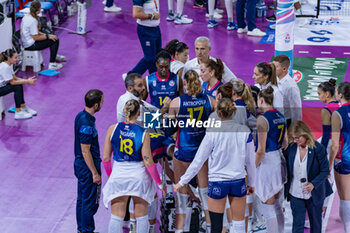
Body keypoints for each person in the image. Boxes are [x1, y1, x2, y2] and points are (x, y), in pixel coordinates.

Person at [174, 97, 256, 233]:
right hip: (238, 181)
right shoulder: (245, 131)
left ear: (218, 113)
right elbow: (250, 162)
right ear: (234, 112)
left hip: (218, 182)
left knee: (216, 227)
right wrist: (252, 183)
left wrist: (182, 182)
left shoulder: (212, 132)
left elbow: (198, 161)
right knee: (240, 225)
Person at [102, 99, 166, 233]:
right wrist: (159, 183)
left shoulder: (112, 129)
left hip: (119, 174)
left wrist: (110, 176)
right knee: (142, 215)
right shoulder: (143, 132)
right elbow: (148, 161)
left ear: (125, 112)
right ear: (138, 113)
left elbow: (106, 158)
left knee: (116, 216)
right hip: (138, 175)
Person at [167, 70, 215, 233]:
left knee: (181, 194)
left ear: (185, 83)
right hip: (202, 152)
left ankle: (181, 230)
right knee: (205, 193)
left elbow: (168, 129)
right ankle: (209, 227)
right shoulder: (210, 100)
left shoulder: (176, 102)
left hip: (183, 152)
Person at [284, 121, 332, 233]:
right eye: (293, 138)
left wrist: (313, 184)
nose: (295, 141)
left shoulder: (318, 148)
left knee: (315, 225)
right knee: (297, 225)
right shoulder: (291, 148)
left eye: (297, 138)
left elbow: (325, 171)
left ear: (305, 134)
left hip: (314, 193)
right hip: (295, 192)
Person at [255, 86, 287, 233]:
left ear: (261, 100)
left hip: (267, 162)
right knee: (277, 204)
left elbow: (261, 150)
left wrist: (252, 168)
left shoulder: (262, 119)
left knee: (267, 205)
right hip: (279, 160)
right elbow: (285, 143)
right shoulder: (281, 116)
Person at [74, 89, 104, 233]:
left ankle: (81, 229)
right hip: (87, 167)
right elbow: (86, 150)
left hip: (80, 165)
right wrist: (94, 173)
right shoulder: (87, 123)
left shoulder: (80, 116)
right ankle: (87, 230)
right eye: (102, 101)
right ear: (96, 105)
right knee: (89, 201)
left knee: (82, 198)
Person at [20, 1, 65, 70]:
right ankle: (52, 64)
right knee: (55, 40)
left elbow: (35, 32)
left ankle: (54, 55)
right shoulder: (32, 20)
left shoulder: (27, 16)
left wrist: (47, 35)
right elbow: (35, 37)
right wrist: (48, 36)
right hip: (30, 45)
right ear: (38, 10)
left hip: (27, 42)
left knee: (52, 36)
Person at [329, 82, 350, 233]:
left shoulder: (338, 114)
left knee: (345, 198)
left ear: (340, 95)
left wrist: (328, 164)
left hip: (344, 159)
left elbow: (334, 144)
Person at [0, 49, 37, 120]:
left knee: (19, 84)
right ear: (9, 58)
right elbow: (13, 82)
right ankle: (18, 112)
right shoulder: (4, 67)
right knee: (16, 86)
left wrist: (27, 80)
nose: (17, 59)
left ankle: (23, 107)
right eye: (15, 57)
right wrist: (27, 81)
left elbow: (15, 78)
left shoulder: (8, 65)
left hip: (2, 86)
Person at [128, 0, 161, 76]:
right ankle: (131, 76)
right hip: (145, 30)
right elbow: (136, 13)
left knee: (157, 56)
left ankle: (153, 78)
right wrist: (152, 16)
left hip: (156, 28)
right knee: (150, 58)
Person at [273, 55, 302, 128]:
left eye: (276, 67)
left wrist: (295, 128)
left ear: (284, 69)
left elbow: (296, 110)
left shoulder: (290, 86)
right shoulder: (274, 79)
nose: (272, 69)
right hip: (275, 118)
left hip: (286, 121)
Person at [317, 79, 340, 152]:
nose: (318, 97)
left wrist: (322, 152)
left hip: (331, 143)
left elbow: (326, 134)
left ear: (327, 94)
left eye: (319, 94)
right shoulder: (341, 105)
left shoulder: (326, 110)